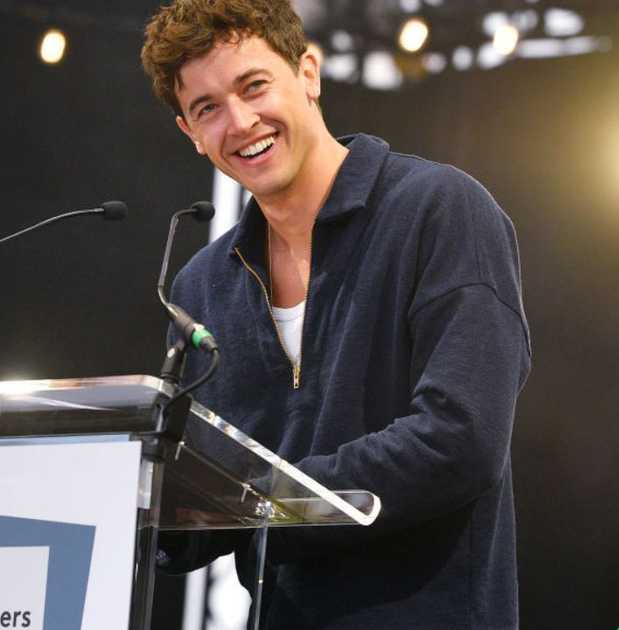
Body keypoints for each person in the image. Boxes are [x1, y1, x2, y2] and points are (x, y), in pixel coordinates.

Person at [141, 1, 532, 628]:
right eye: (207, 108)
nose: (241, 122)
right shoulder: (200, 286)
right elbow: (198, 500)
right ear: (190, 133)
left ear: (309, 74)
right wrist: (135, 505)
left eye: (254, 86)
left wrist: (255, 500)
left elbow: (462, 439)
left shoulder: (440, 210)